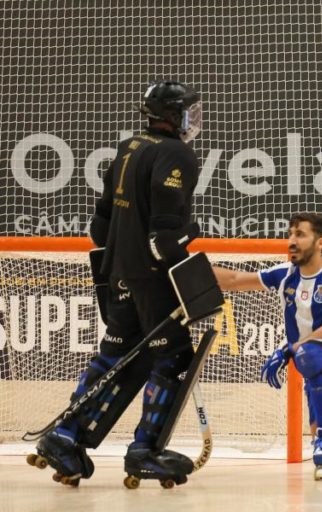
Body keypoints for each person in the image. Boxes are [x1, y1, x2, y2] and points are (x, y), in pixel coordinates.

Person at [29, 80, 206, 486]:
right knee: (174, 359)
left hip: (119, 273)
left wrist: (124, 266)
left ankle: (65, 437)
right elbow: (164, 237)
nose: (194, 118)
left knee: (115, 355)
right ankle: (146, 450)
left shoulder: (128, 147)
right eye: (188, 110)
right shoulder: (177, 154)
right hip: (153, 278)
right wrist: (188, 238)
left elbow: (99, 227)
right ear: (171, 115)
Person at [213, 212, 322, 480]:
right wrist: (183, 269)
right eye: (290, 234)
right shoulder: (285, 276)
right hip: (313, 361)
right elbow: (233, 280)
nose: (292, 241)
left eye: (300, 235)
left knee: (310, 354)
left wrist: (289, 349)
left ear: (320, 242)